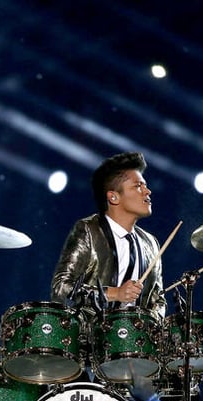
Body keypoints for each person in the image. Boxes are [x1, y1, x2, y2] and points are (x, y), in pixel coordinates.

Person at [50, 151, 167, 380]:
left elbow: (158, 299)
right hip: (86, 353)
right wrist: (115, 293)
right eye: (138, 186)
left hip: (135, 354)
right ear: (114, 197)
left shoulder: (151, 243)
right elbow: (60, 288)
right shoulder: (88, 231)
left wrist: (147, 327)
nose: (148, 191)